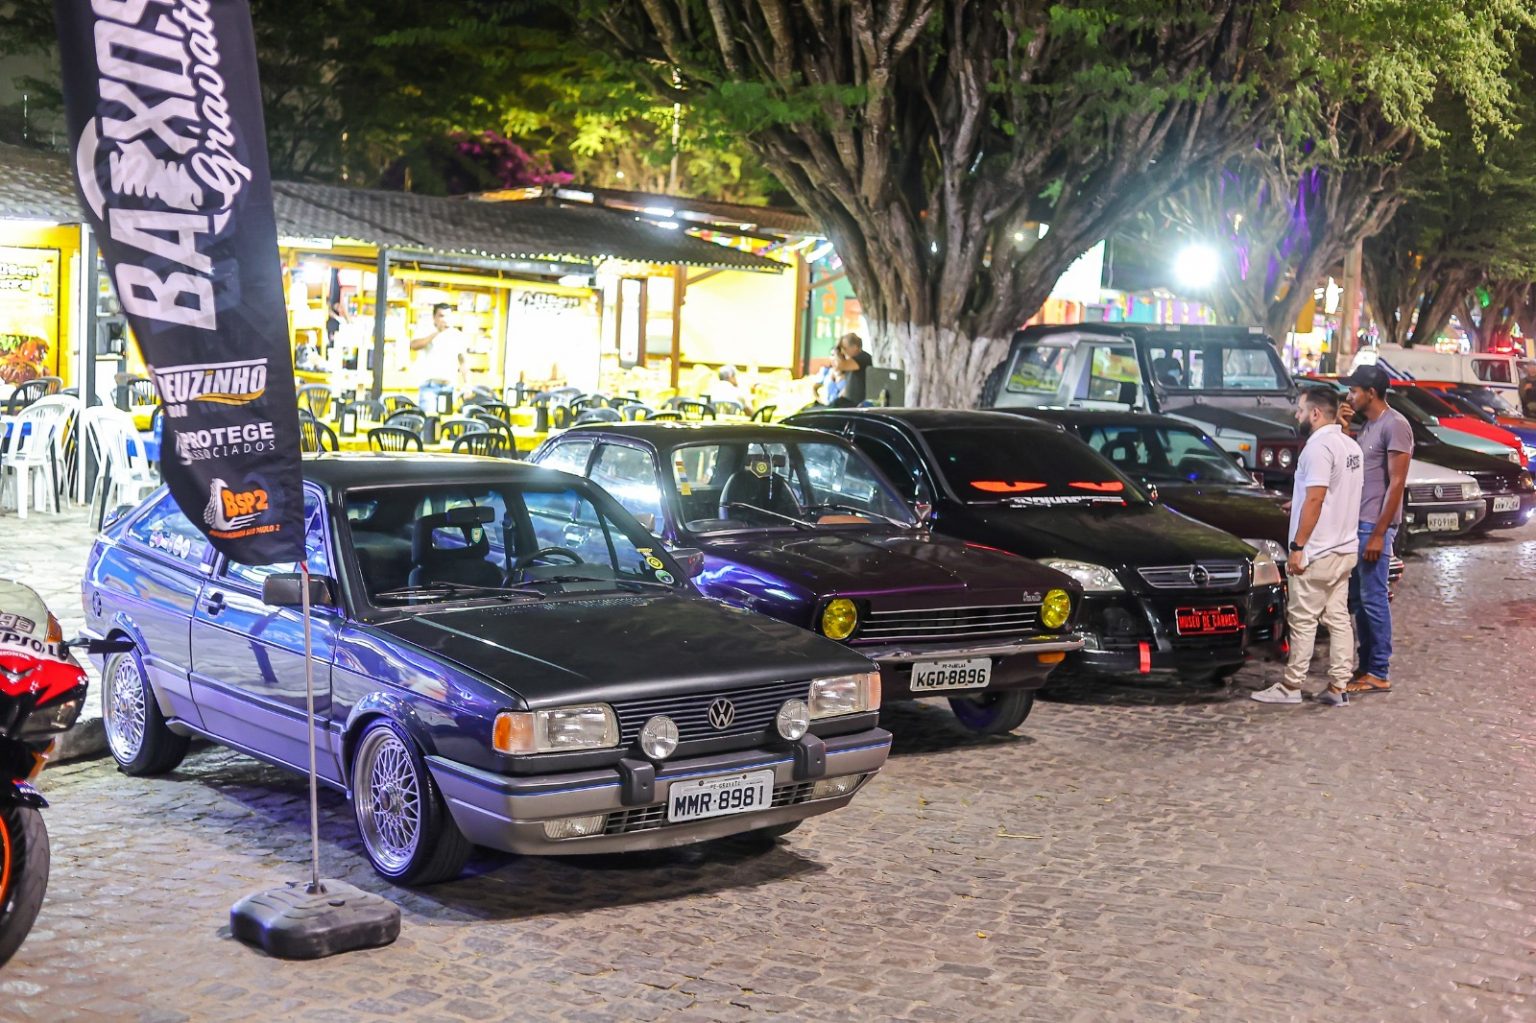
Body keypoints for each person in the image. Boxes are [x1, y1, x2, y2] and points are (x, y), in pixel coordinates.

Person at [1252, 387, 1364, 706]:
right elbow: (1333, 493)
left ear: (1316, 413)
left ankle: (1291, 685)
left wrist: (1298, 546)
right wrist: (1299, 501)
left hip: (1318, 550)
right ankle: (1339, 686)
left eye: (1300, 410)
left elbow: (1317, 497)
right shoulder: (1351, 446)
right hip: (1345, 547)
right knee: (1338, 618)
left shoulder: (1317, 448)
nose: (1296, 415)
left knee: (1303, 618)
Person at [1338, 364, 1412, 695]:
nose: (1349, 396)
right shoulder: (1367, 426)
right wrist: (1344, 430)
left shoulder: (1395, 425)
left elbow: (1396, 483)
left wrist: (1380, 534)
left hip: (1374, 526)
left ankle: (1379, 670)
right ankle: (1365, 665)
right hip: (1359, 524)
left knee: (1373, 598)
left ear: (1371, 392)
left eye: (1353, 390)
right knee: (1358, 600)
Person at [409, 303, 467, 412]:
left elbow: (463, 362)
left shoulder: (457, 336)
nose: (445, 319)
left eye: (448, 316)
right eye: (441, 316)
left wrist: (467, 384)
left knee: (446, 420)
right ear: (434, 317)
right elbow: (414, 346)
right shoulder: (425, 331)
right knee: (429, 419)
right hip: (429, 387)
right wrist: (437, 333)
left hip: (449, 387)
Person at [830, 332, 872, 407]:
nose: (843, 351)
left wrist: (837, 350)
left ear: (855, 347)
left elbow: (839, 366)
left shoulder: (863, 357)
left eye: (845, 348)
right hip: (850, 400)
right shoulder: (850, 360)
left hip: (859, 403)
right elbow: (836, 372)